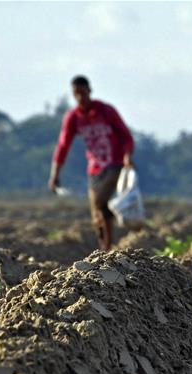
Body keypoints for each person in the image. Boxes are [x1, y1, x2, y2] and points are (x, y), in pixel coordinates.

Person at [49, 75, 134, 250]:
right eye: (76, 94)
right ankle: (105, 247)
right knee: (97, 214)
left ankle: (115, 226)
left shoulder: (106, 111)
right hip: (94, 168)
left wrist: (127, 156)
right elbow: (63, 146)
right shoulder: (73, 118)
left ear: (90, 90)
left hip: (115, 163)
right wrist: (55, 174)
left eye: (83, 92)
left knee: (101, 201)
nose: (80, 97)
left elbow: (125, 136)